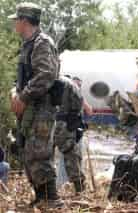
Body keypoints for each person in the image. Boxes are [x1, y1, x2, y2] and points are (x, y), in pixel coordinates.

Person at [8, 2, 62, 207]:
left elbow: (46, 76)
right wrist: (15, 91)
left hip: (42, 108)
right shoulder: (28, 44)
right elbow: (23, 78)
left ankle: (51, 199)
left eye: (17, 21)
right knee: (27, 150)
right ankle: (41, 198)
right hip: (30, 108)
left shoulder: (42, 43)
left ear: (24, 21)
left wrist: (23, 97)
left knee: (39, 152)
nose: (15, 25)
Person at [54, 76, 86, 194]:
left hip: (59, 122)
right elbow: (79, 104)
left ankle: (51, 190)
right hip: (66, 124)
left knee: (68, 155)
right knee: (71, 155)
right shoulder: (69, 84)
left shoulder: (50, 80)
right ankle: (79, 187)